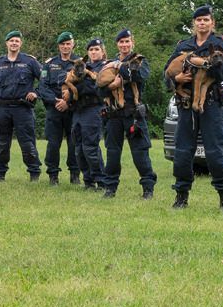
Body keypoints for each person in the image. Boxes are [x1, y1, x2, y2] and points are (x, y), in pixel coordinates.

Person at [165, 5, 223, 210]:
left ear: (212, 22)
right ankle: (181, 196)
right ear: (194, 23)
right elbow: (166, 73)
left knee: (215, 153)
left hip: (211, 104)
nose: (202, 23)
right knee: (183, 152)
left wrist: (205, 66)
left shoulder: (220, 44)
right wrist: (176, 79)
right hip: (186, 105)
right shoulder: (182, 45)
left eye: (206, 20)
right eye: (198, 20)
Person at [101, 28, 157, 199]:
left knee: (140, 153)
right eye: (121, 42)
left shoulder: (139, 60)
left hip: (133, 114)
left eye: (127, 41)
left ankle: (148, 188)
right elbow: (100, 88)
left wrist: (120, 69)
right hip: (113, 114)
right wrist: (110, 86)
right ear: (117, 44)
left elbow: (141, 75)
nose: (124, 45)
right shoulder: (109, 63)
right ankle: (110, 188)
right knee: (112, 154)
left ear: (132, 42)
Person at [0, 30, 42, 181]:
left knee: (28, 143)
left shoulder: (30, 61)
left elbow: (45, 80)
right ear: (6, 43)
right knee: (2, 144)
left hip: (23, 108)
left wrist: (36, 93)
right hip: (3, 109)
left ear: (21, 43)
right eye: (11, 41)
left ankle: (34, 174)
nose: (14, 43)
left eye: (17, 41)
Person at [38, 31, 81, 186]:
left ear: (72, 45)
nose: (65, 47)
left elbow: (82, 87)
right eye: (62, 44)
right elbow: (42, 87)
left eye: (68, 44)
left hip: (73, 110)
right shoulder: (50, 64)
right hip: (54, 109)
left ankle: (75, 174)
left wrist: (67, 103)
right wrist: (55, 100)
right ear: (59, 46)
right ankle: (53, 175)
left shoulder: (79, 63)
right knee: (53, 144)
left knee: (74, 143)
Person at [71, 38, 107, 192]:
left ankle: (101, 181)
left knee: (90, 147)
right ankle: (88, 181)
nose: (93, 52)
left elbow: (97, 87)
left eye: (96, 49)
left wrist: (79, 86)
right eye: (91, 50)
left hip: (94, 109)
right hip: (78, 110)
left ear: (102, 51)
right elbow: (65, 80)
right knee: (78, 148)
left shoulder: (105, 67)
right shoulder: (81, 66)